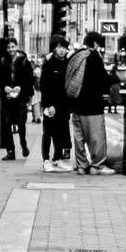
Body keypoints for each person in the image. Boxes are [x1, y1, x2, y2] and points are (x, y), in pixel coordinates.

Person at [66, 30, 115, 175]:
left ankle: (82, 166)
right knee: (96, 137)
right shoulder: (93, 57)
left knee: (79, 138)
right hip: (92, 105)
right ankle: (97, 166)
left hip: (76, 104)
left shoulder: (75, 56)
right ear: (95, 43)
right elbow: (104, 83)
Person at [0, 36, 33, 160]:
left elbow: (29, 78)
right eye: (8, 47)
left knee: (21, 122)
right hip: (7, 96)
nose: (11, 50)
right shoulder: (2, 61)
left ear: (16, 47)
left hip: (20, 97)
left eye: (13, 47)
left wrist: (21, 88)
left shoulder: (24, 61)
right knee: (6, 123)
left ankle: (23, 144)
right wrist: (4, 86)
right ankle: (10, 151)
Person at [39, 33, 73, 171]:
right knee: (48, 132)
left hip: (63, 104)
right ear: (54, 49)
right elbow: (44, 86)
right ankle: (46, 160)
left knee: (61, 131)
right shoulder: (48, 64)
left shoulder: (67, 63)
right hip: (50, 104)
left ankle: (57, 158)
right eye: (59, 47)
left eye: (64, 47)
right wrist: (48, 105)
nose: (61, 50)